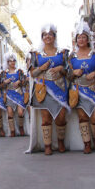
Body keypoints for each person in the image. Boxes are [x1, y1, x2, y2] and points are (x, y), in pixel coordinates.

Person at [28, 23, 69, 155]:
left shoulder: (63, 52)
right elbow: (32, 73)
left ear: (54, 36)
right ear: (42, 37)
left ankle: (61, 141)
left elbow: (69, 71)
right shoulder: (35, 54)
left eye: (50, 34)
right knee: (46, 118)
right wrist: (41, 68)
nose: (47, 37)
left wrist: (61, 68)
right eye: (45, 35)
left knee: (61, 117)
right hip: (43, 88)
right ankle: (47, 145)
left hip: (60, 87)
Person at [69, 30, 95, 153]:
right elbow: (66, 75)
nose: (81, 40)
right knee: (83, 117)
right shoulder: (71, 57)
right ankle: (87, 143)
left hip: (94, 88)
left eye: (83, 37)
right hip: (78, 89)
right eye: (79, 37)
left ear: (87, 39)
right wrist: (73, 72)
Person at [3, 52, 27, 137]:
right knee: (10, 113)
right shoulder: (4, 73)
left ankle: (21, 127)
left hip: (19, 93)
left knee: (20, 113)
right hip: (9, 94)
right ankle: (12, 131)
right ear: (7, 62)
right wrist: (5, 82)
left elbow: (24, 81)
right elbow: (1, 85)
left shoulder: (19, 71)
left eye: (14, 61)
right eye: (10, 61)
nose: (12, 62)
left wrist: (19, 81)